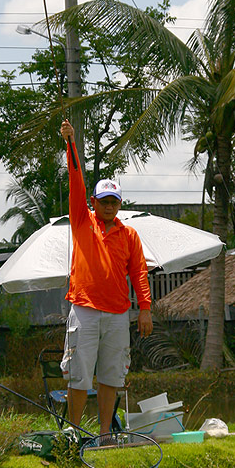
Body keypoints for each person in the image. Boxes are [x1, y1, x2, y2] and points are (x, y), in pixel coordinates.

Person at [60, 119, 153, 436]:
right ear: (94, 203)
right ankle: (71, 433)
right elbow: (76, 182)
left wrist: (145, 308)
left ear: (120, 205)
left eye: (114, 202)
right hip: (84, 309)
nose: (109, 206)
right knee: (78, 374)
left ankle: (104, 435)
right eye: (104, 201)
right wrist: (70, 144)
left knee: (112, 376)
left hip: (117, 314)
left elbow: (139, 272)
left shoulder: (129, 235)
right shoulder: (83, 222)